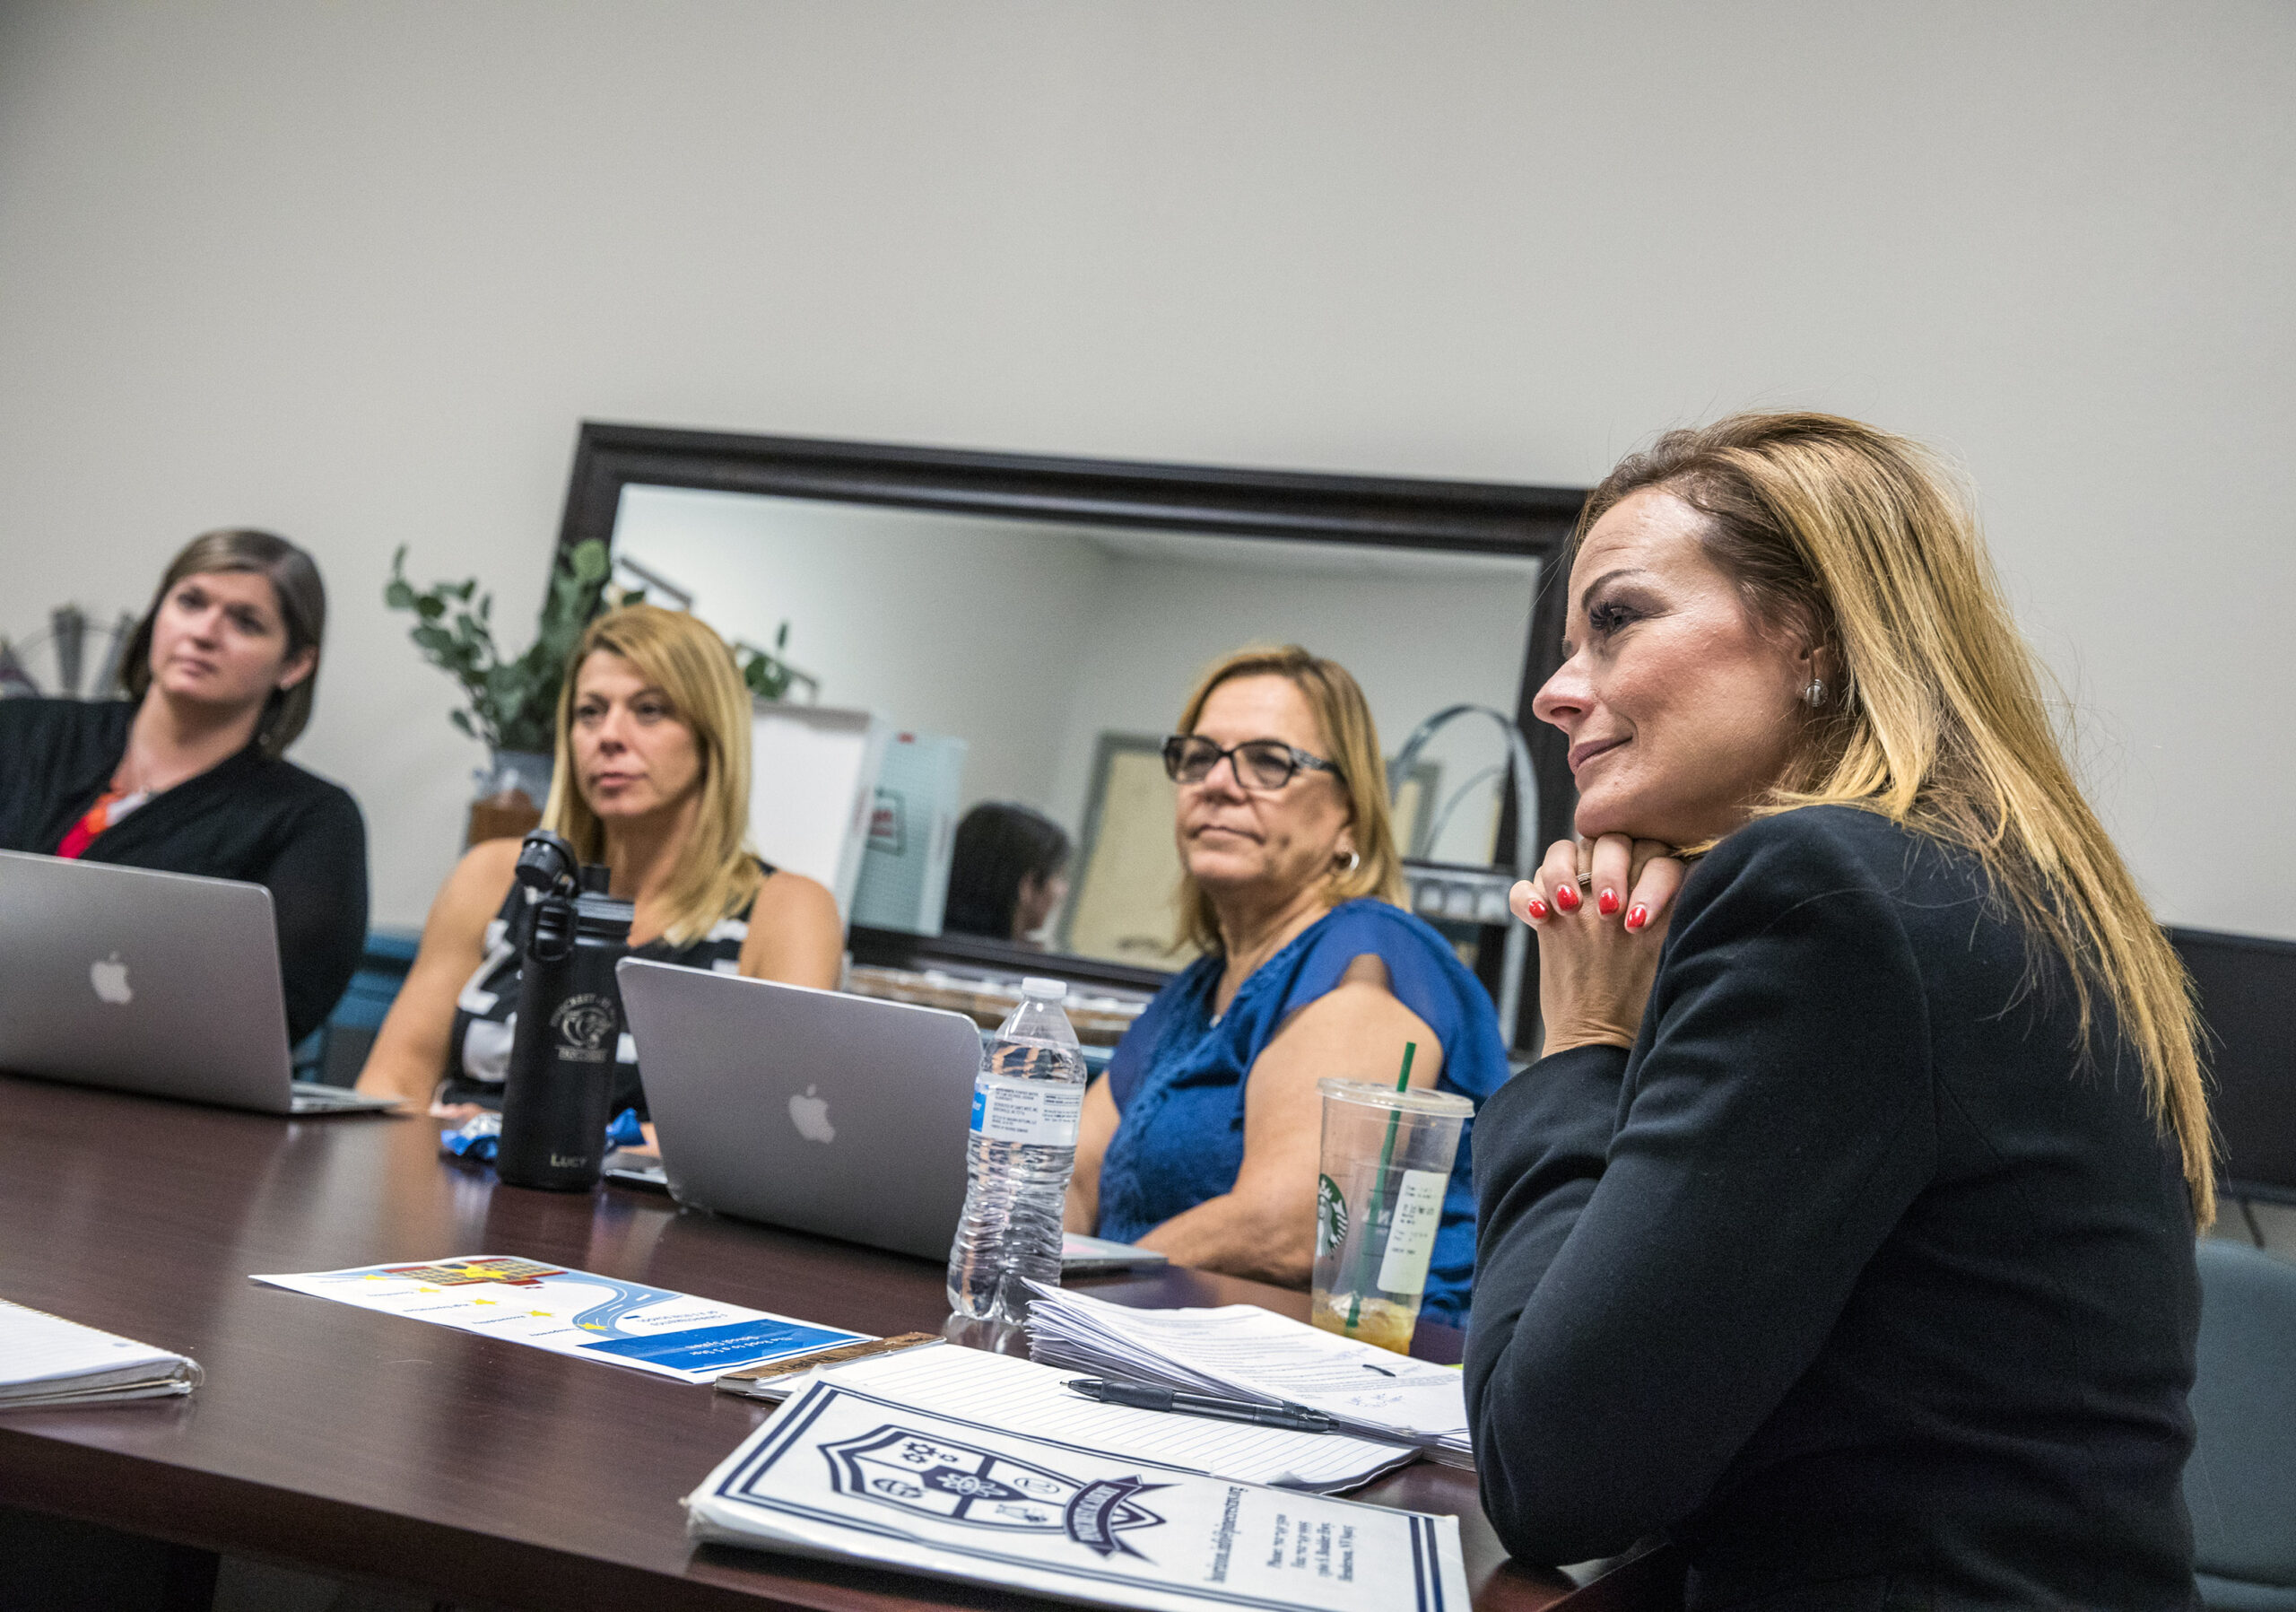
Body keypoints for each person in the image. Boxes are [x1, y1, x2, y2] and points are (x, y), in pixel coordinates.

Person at [1467, 414, 2212, 1605]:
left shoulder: (1827, 893)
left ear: (1814, 635)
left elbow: (1554, 1475)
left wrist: (1584, 1046)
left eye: (1617, 619)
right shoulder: (1989, 890)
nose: (1559, 693)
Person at [1065, 645, 1509, 1327]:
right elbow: (1075, 1174)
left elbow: (1291, 1224)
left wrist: (1077, 1290)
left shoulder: (1370, 955)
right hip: (1152, 1336)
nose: (1217, 782)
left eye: (1269, 762)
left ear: (1349, 820)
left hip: (1343, 1380)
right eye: (1198, 756)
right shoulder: (1198, 990)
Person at [356, 605, 841, 1118]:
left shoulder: (786, 910)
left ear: (710, 737)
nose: (609, 735)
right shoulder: (497, 876)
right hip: (448, 1182)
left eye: (648, 710)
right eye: (590, 712)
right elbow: (391, 1080)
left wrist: (510, 1139)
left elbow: (773, 1133)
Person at [0, 529, 366, 1044]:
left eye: (246, 622)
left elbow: (274, 1021)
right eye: (190, 602)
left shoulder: (312, 819)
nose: (205, 633)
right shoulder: (20, 732)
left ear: (294, 664)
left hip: (147, 1093)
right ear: (157, 614)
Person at [943, 801, 1072, 946]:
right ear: (1028, 887)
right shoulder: (994, 962)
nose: (1064, 890)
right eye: (1059, 875)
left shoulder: (939, 944)